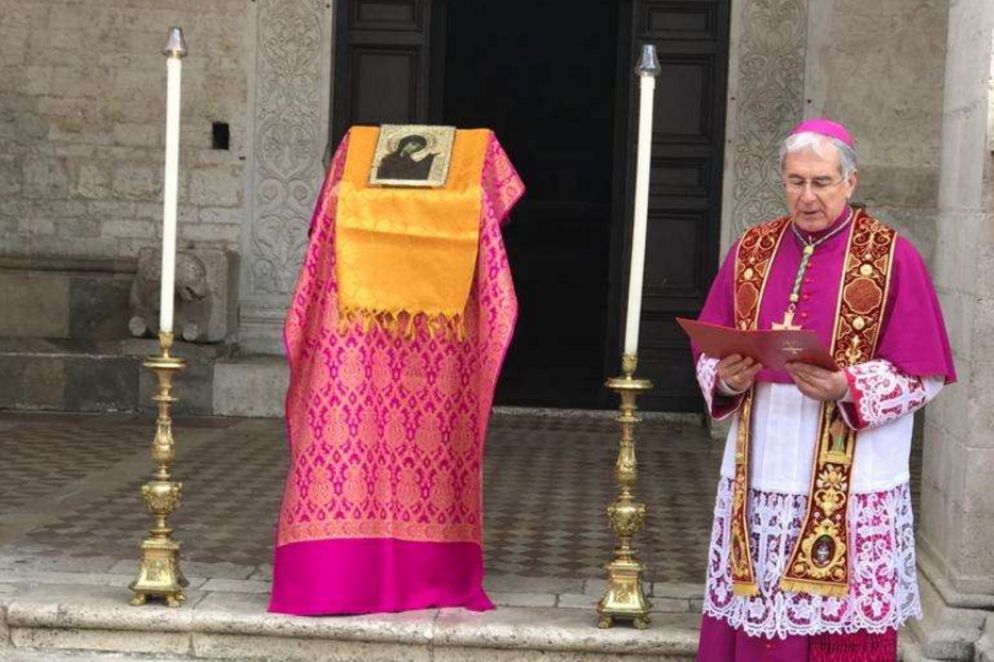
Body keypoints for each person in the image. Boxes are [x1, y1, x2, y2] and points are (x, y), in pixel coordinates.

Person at [692, 118, 956, 661]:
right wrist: (725, 378)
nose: (806, 196)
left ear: (850, 183)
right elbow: (709, 348)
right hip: (760, 469)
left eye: (821, 182)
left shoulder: (890, 256)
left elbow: (924, 375)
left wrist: (847, 385)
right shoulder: (752, 249)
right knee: (759, 617)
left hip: (852, 479)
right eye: (794, 181)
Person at [269, 126, 524, 615]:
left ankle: (339, 575)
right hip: (390, 342)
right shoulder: (358, 165)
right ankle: (351, 572)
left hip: (364, 337)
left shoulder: (451, 165)